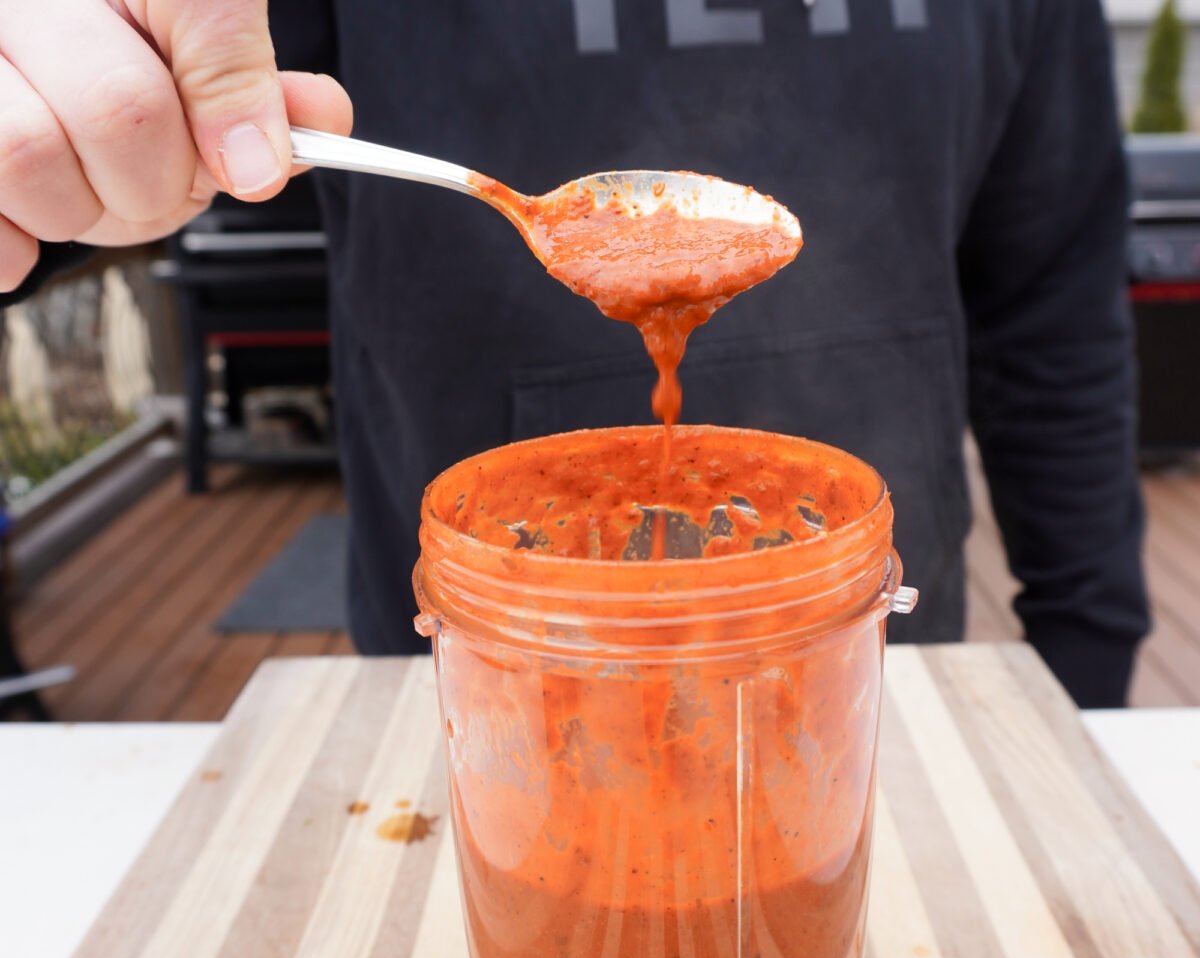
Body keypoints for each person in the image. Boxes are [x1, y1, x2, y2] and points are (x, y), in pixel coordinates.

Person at [0, 0, 1150, 707]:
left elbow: (1051, 296)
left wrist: (1089, 649)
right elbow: (148, 104)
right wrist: (60, 107)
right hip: (479, 672)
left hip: (855, 650)